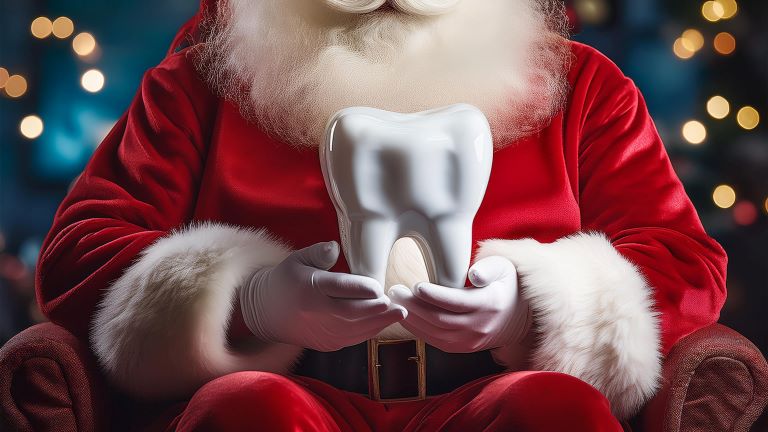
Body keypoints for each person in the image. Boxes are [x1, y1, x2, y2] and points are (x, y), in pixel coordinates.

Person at [36, 0, 727, 430]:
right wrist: (249, 302)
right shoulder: (199, 86)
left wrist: (536, 310)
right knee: (245, 410)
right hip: (287, 392)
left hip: (492, 394)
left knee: (555, 410)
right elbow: (76, 256)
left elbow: (685, 262)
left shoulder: (585, 89)